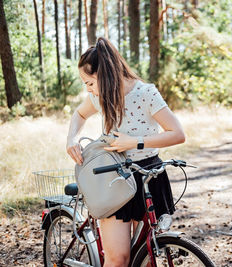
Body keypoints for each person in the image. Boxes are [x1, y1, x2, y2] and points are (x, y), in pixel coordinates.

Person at [66, 37, 185, 267]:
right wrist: (71, 138)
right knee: (118, 259)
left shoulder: (145, 93)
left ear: (105, 74)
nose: (88, 89)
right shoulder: (100, 97)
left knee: (148, 256)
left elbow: (178, 133)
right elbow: (79, 115)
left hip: (149, 174)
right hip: (114, 177)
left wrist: (135, 142)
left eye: (90, 82)